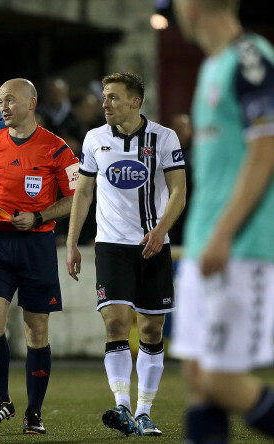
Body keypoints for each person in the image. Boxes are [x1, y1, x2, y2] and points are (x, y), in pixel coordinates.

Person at [170, 1, 274, 442]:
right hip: (204, 245)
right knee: (198, 378)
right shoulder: (214, 64)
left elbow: (266, 147)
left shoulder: (250, 56)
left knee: (219, 381)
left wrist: (223, 234)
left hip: (240, 246)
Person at [65, 72, 186, 437]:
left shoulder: (164, 138)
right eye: (104, 97)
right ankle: (122, 405)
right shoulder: (94, 139)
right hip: (111, 245)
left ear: (136, 101)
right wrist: (72, 241)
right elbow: (83, 193)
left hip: (154, 244)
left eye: (114, 97)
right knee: (116, 323)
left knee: (152, 328)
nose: (105, 103)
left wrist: (161, 230)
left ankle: (145, 411)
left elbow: (179, 190)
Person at [0, 78, 79, 434]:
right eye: (1, 100)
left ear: (31, 102)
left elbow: (77, 196)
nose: (3, 107)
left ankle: (34, 412)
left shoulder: (56, 148)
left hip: (37, 246)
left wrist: (40, 216)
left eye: (10, 100)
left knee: (36, 330)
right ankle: (1, 401)